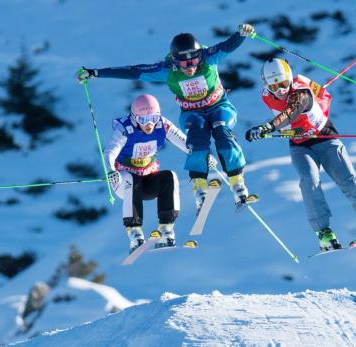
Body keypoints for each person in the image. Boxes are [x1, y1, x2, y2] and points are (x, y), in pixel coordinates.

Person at [77, 24, 258, 212]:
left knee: (222, 130)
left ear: (199, 56)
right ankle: (199, 188)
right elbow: (132, 71)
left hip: (219, 106)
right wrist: (95, 73)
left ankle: (238, 182)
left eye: (194, 61)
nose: (190, 67)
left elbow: (228, 45)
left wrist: (242, 34)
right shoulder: (167, 70)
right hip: (192, 113)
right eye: (183, 63)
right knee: (196, 140)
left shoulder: (209, 56)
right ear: (174, 60)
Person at [245, 58, 356, 255]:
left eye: (283, 83)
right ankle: (324, 233)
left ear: (290, 79)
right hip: (300, 145)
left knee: (350, 183)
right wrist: (266, 130)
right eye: (275, 86)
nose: (281, 90)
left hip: (325, 138)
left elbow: (291, 112)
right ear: (267, 85)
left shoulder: (301, 92)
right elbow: (288, 119)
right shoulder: (266, 96)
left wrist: (268, 127)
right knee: (309, 181)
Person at [105, 94, 194, 254]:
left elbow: (185, 142)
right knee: (131, 180)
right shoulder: (125, 129)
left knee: (170, 177)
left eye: (153, 118)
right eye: (144, 120)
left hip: (148, 181)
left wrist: (203, 156)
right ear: (134, 117)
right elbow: (110, 151)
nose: (150, 124)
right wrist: (111, 170)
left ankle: (166, 229)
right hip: (125, 183)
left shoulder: (162, 125)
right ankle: (135, 233)